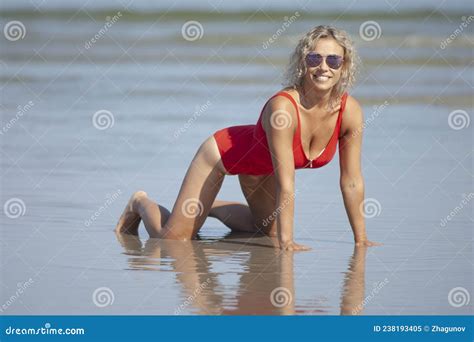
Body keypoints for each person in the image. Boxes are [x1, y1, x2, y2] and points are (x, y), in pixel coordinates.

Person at [115, 25, 381, 251]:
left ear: (343, 66)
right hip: (221, 155)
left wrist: (361, 239)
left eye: (333, 60)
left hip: (260, 169)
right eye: (315, 59)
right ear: (303, 63)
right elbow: (286, 183)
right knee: (174, 239)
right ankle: (139, 202)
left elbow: (352, 181)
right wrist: (286, 241)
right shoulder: (283, 110)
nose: (323, 67)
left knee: (262, 229)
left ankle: (206, 207)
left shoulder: (350, 112)